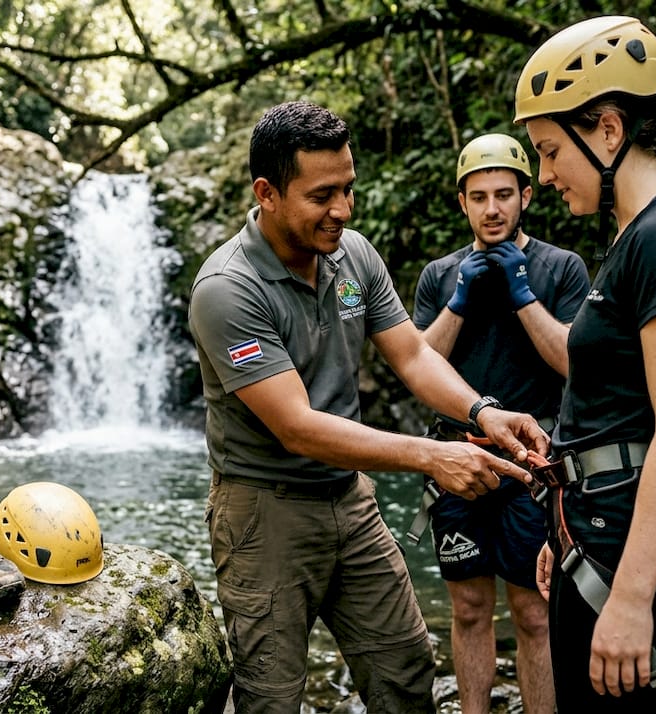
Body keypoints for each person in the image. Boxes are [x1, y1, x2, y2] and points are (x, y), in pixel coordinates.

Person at [187, 100, 550, 713]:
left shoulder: (352, 255)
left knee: (406, 670)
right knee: (271, 698)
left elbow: (412, 356)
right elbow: (297, 427)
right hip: (263, 513)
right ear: (267, 193)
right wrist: (432, 457)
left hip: (350, 500)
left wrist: (481, 412)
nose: (343, 210)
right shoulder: (227, 290)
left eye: (349, 189)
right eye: (322, 195)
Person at [513, 15, 656, 712]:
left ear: (608, 130)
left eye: (550, 151)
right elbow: (616, 410)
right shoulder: (639, 236)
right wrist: (567, 527)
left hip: (631, 564)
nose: (543, 176)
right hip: (600, 537)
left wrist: (633, 596)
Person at [412, 132, 589, 714]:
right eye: (479, 196)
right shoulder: (440, 275)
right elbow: (416, 362)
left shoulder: (561, 267)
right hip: (457, 459)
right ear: (461, 202)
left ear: (527, 197)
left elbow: (572, 362)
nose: (493, 209)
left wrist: (520, 293)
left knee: (534, 611)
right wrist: (459, 298)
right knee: (466, 609)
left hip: (532, 466)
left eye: (504, 195)